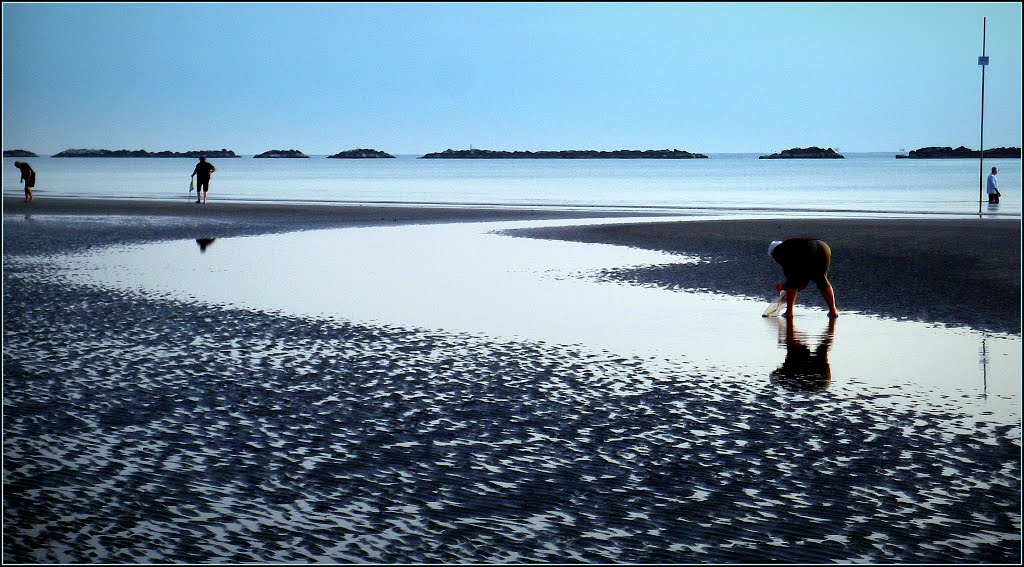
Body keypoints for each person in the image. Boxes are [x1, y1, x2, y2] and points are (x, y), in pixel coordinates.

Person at [768, 237, 839, 319]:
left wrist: (785, 289)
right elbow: (803, 276)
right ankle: (833, 311)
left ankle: (789, 312)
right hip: (823, 247)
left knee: (792, 281)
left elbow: (792, 276)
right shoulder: (791, 245)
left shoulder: (779, 252)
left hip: (807, 248)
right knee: (821, 279)